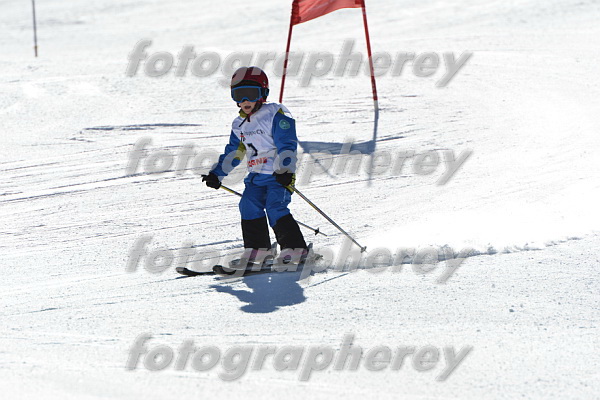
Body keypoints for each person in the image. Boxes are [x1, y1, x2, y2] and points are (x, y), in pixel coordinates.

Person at [202, 66, 308, 266]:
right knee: (248, 205)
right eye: (238, 95)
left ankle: (296, 250)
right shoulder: (239, 125)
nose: (245, 100)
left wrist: (285, 169)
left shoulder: (275, 114)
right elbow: (234, 153)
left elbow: (287, 144)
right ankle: (258, 251)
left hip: (278, 175)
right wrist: (217, 174)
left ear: (263, 93)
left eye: (251, 94)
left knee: (275, 207)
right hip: (255, 177)